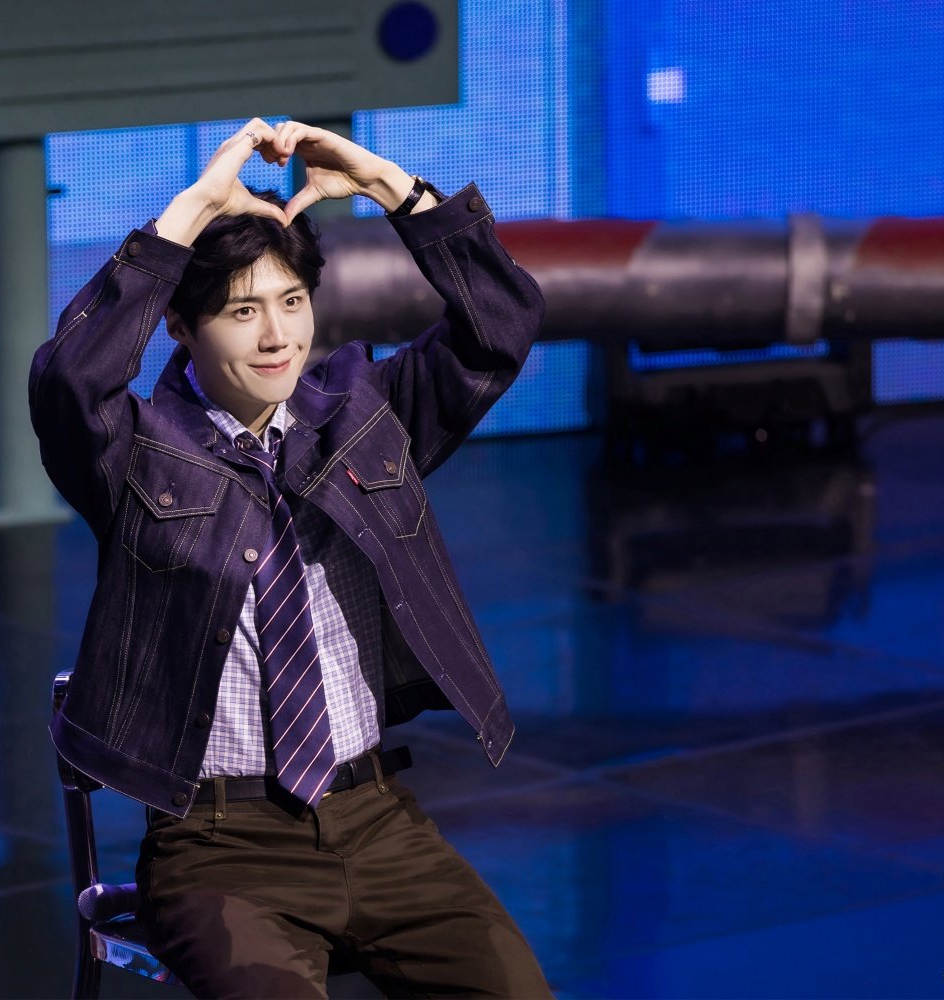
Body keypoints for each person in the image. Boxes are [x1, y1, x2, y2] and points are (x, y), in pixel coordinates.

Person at [31, 118, 553, 998]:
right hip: (219, 849)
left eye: (292, 301)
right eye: (243, 311)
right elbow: (68, 382)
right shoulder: (136, 454)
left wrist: (389, 187)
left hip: (378, 821)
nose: (277, 336)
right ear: (179, 325)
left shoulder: (363, 415)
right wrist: (191, 211)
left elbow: (502, 322)